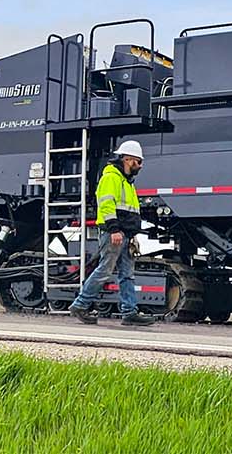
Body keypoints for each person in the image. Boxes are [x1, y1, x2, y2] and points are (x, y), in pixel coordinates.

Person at [68, 140, 157, 327]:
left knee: (127, 274)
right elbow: (107, 205)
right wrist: (114, 229)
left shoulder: (126, 181)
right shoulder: (111, 178)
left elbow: (129, 211)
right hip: (114, 234)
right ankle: (80, 304)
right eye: (137, 162)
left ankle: (130, 312)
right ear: (126, 159)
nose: (139, 166)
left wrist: (131, 235)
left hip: (124, 234)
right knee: (105, 270)